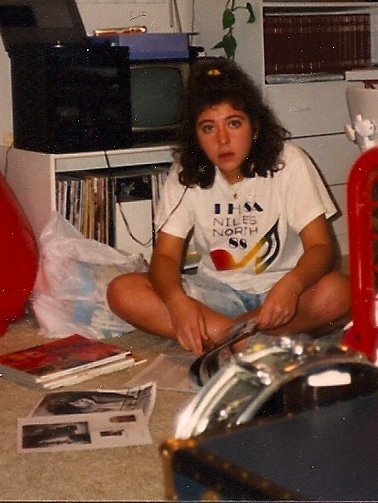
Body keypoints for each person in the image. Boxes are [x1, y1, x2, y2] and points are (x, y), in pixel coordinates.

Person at [106, 59, 350, 355]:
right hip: (216, 293)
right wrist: (176, 302)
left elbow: (321, 247)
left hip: (281, 291)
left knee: (340, 291)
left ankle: (223, 335)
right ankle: (250, 341)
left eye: (234, 123)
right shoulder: (186, 173)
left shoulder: (289, 161)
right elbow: (166, 255)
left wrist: (293, 286)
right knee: (122, 291)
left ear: (255, 127)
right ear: (196, 136)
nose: (223, 140)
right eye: (208, 128)